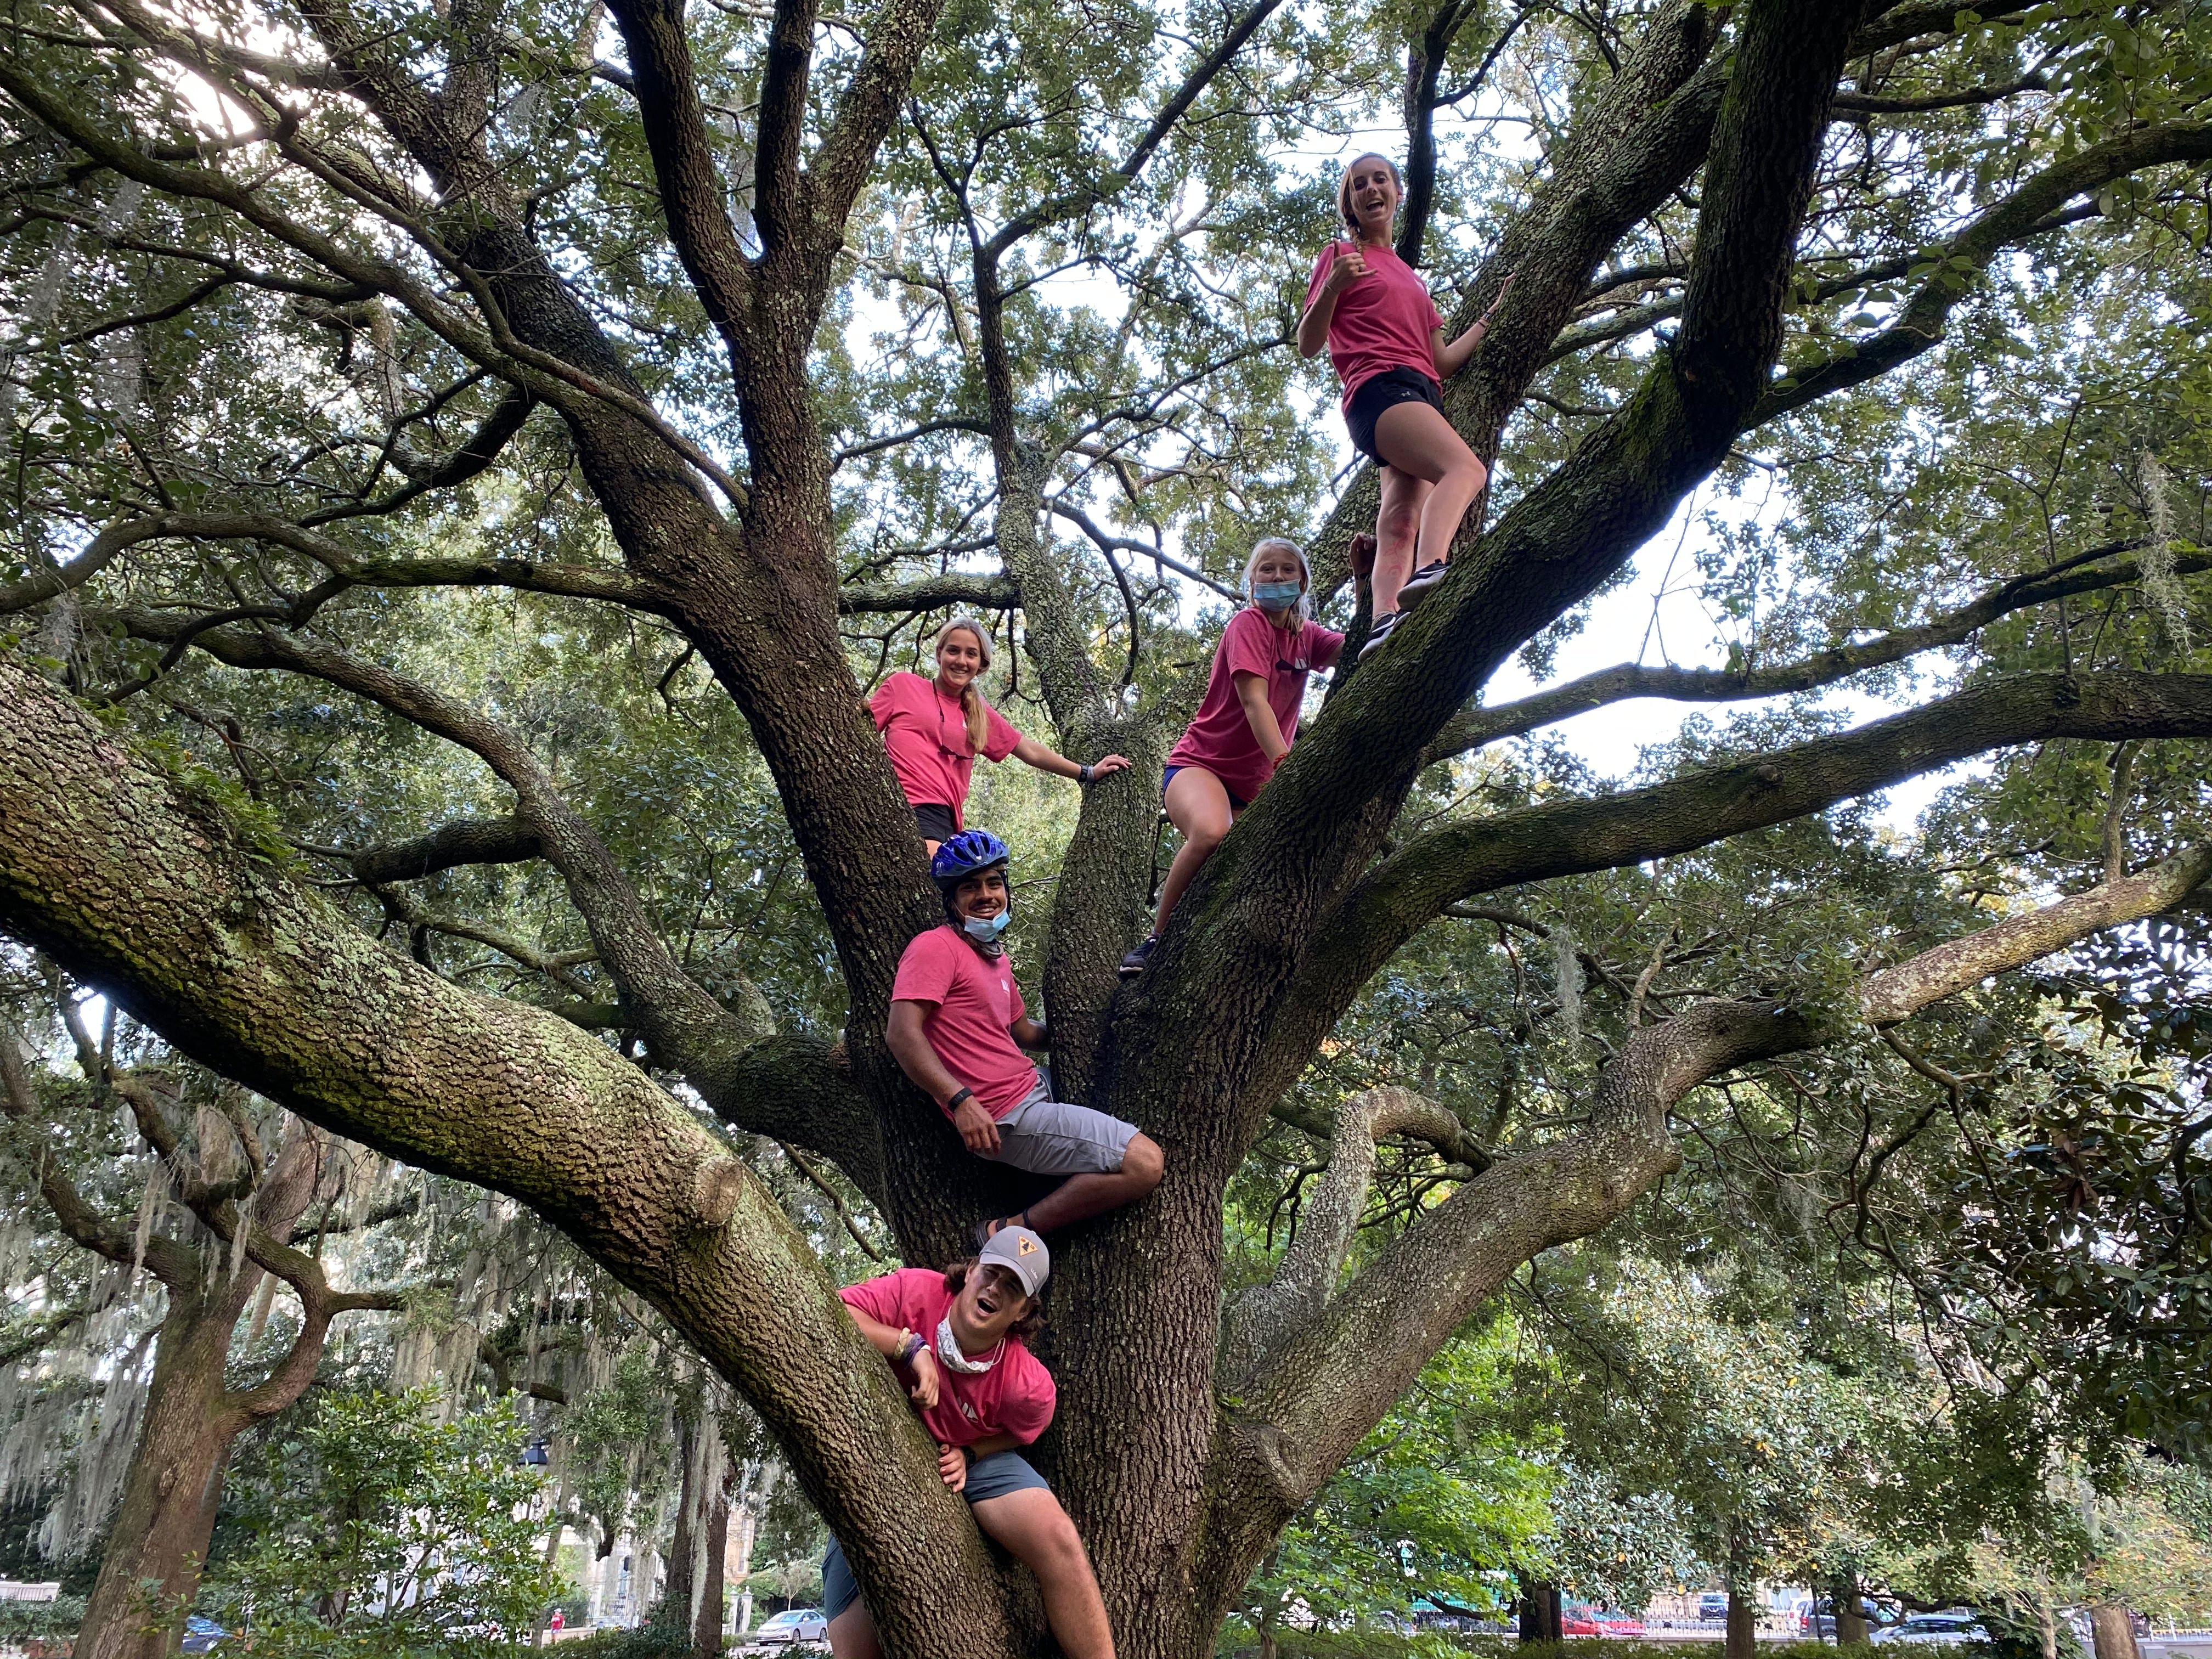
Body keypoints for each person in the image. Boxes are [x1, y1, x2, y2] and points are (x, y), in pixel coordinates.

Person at [825, 1230, 1115, 1659]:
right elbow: (833, 1311)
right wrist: (908, 1346)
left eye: (1013, 1286)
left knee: (1060, 1540)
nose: (995, 1288)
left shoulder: (1025, 1383)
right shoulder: (914, 1291)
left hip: (971, 1461)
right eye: (991, 1272)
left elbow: (1027, 1428)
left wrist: (975, 1451)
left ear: (1023, 1312)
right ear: (972, 1271)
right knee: (854, 1647)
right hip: (882, 1459)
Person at [889, 830, 1164, 1238]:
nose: (985, 894)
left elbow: (1026, 1033)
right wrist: (961, 1101)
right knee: (1145, 1162)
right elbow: (901, 1034)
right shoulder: (936, 947)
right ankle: (1009, 1229)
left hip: (1037, 1088)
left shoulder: (996, 961)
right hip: (1008, 1115)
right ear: (952, 901)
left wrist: (1100, 1025)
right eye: (970, 887)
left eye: (994, 883)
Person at [1298, 151, 1513, 658]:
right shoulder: (1340, 256)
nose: (1371, 189)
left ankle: (1382, 620)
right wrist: (1334, 286)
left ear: (1398, 193)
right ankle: (1433, 565)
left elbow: (1439, 360)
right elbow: (1309, 343)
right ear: (1350, 204)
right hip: (1380, 388)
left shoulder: (1413, 279)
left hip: (1421, 392)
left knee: (1398, 518)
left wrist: (1487, 321)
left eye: (1381, 180)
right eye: (1359, 185)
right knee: (1465, 469)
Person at [1118, 539, 1342, 977]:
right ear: (1252, 581)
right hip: (1200, 766)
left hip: (1254, 786)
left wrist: (1364, 580)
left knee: (1252, 874)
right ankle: (1156, 942)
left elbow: (1359, 650)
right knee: (1211, 833)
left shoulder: (1305, 637)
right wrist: (1287, 764)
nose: (1277, 578)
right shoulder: (1248, 624)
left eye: (1287, 570)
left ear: (1302, 582)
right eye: (1267, 570)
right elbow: (1254, 703)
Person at [870, 617, 1131, 854]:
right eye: (953, 650)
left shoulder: (977, 712)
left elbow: (1027, 749)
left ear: (981, 665)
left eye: (971, 654)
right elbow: (863, 733)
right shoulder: (902, 686)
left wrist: (1087, 773)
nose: (961, 661)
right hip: (900, 802)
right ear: (940, 654)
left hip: (945, 820)